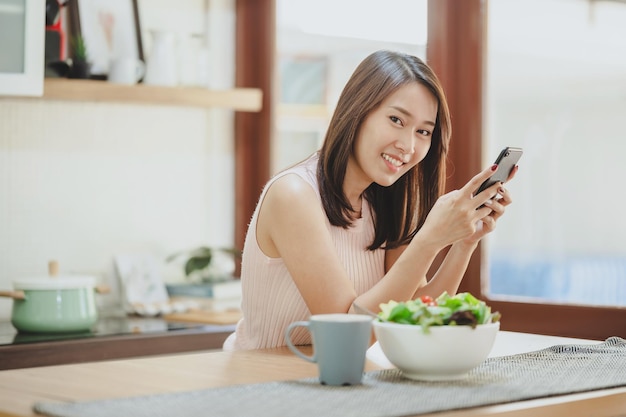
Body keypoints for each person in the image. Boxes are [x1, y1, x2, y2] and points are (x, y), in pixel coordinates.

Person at [223, 50, 517, 351]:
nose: (408, 145)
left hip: (335, 385)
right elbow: (346, 337)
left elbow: (415, 317)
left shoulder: (385, 204)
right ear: (357, 111)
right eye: (396, 119)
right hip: (258, 385)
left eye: (423, 131)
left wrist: (463, 243)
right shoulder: (294, 196)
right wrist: (429, 241)